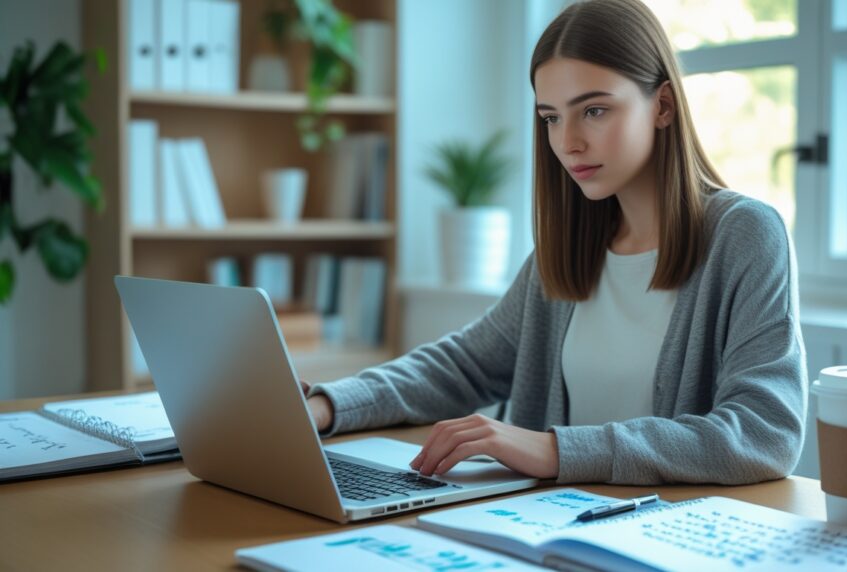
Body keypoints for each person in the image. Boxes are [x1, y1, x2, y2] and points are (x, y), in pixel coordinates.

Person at [304, 0, 807, 486]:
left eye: (593, 111)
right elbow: (462, 366)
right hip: (546, 529)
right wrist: (328, 406)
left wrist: (552, 450)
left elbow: (765, 433)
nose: (568, 142)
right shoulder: (569, 248)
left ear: (663, 106)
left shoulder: (745, 235)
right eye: (551, 117)